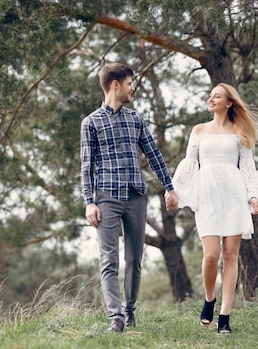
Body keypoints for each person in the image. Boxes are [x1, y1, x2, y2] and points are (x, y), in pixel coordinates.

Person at [80, 62, 179, 333]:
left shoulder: (135, 119)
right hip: (106, 198)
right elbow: (86, 166)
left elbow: (154, 154)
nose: (132, 87)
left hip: (136, 196)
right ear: (116, 84)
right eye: (129, 82)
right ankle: (115, 317)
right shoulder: (91, 123)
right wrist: (89, 201)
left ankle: (130, 310)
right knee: (108, 260)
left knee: (134, 258)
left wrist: (169, 186)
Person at [172, 83, 258, 334]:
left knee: (230, 256)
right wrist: (175, 192)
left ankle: (225, 316)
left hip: (234, 195)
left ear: (229, 102)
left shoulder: (240, 131)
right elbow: (189, 163)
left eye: (217, 96)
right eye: (210, 95)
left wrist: (253, 196)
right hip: (208, 195)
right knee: (211, 255)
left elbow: (247, 166)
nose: (211, 99)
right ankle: (209, 299)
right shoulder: (199, 130)